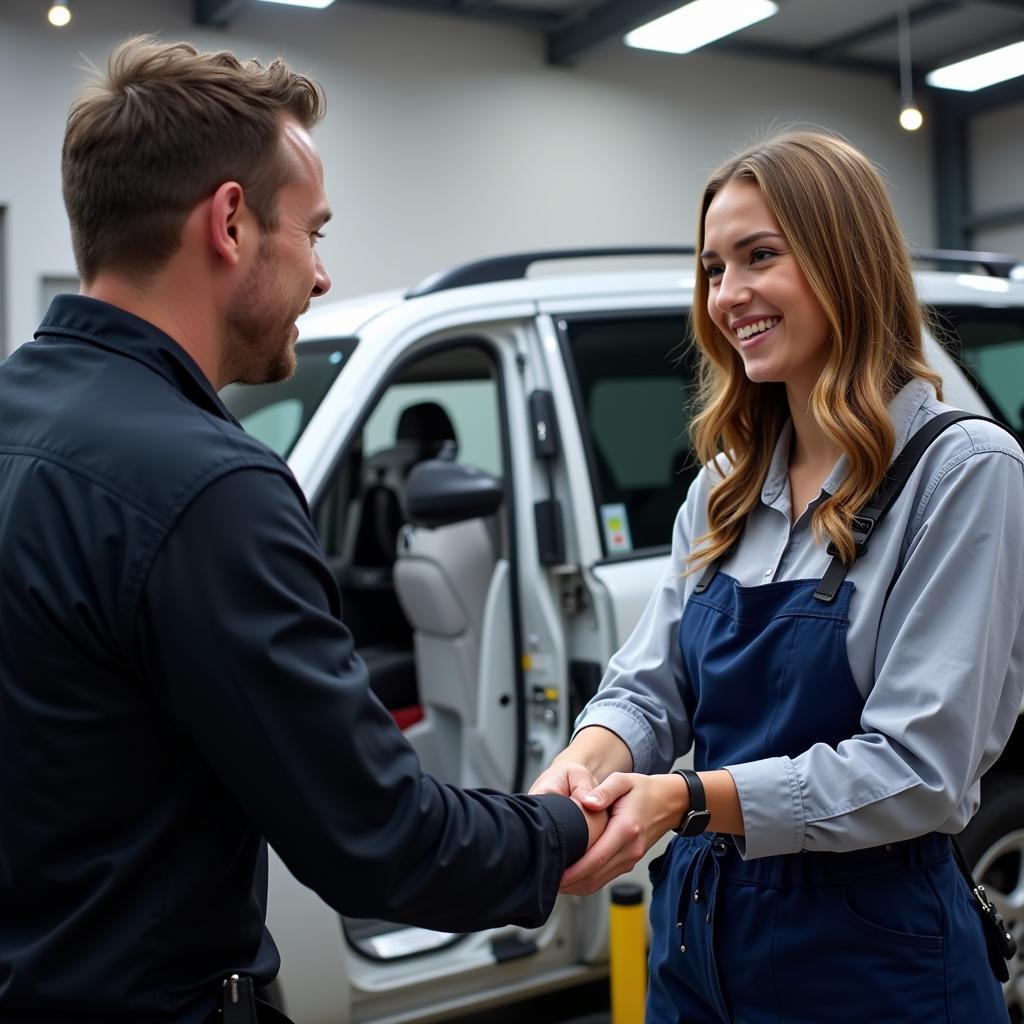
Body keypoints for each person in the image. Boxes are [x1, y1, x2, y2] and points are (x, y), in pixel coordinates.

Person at [0, 37, 605, 1024]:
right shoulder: (207, 487)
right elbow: (380, 842)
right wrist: (564, 828)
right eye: (314, 233)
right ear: (231, 222)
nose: (322, 276)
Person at [532, 131, 1024, 1021]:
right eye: (714, 268)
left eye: (761, 256)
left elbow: (920, 769)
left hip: (874, 956)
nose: (729, 295)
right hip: (699, 941)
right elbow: (649, 691)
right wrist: (578, 775)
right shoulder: (722, 486)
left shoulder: (962, 472)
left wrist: (683, 799)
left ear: (846, 260)